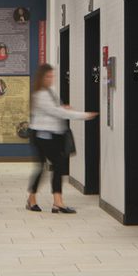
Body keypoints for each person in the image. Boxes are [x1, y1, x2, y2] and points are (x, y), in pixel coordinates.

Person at [26, 62, 95, 214]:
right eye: (48, 76)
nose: (51, 79)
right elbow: (56, 112)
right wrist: (83, 115)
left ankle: (41, 200)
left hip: (53, 134)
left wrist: (63, 108)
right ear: (41, 77)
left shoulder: (51, 91)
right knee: (53, 165)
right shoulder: (40, 94)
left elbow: (56, 109)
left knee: (52, 166)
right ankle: (53, 202)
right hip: (42, 135)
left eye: (52, 76)